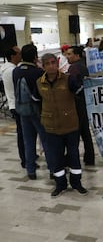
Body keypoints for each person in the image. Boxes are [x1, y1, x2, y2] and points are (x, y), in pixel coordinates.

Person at [35, 53, 88, 197]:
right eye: (48, 63)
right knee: (56, 157)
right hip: (51, 127)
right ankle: (60, 185)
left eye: (54, 62)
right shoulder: (39, 83)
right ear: (43, 66)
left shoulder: (68, 79)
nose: (51, 65)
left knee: (73, 156)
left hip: (70, 125)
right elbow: (37, 100)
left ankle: (77, 183)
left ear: (57, 64)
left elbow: (80, 93)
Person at [12, 43, 50, 179]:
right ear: (35, 56)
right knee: (46, 140)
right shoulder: (38, 72)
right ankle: (52, 169)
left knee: (28, 141)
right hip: (38, 111)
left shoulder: (16, 71)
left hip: (22, 111)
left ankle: (31, 170)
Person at [66, 46, 95, 166]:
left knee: (76, 132)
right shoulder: (83, 66)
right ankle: (89, 157)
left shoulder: (74, 68)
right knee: (85, 132)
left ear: (77, 55)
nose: (67, 56)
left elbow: (74, 86)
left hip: (77, 103)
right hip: (84, 103)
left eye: (69, 54)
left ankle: (71, 158)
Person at [2, 46, 29, 169]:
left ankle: (27, 156)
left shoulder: (8, 68)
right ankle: (25, 159)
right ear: (13, 56)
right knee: (23, 134)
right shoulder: (12, 71)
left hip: (14, 104)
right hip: (17, 105)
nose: (21, 55)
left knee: (23, 133)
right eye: (19, 53)